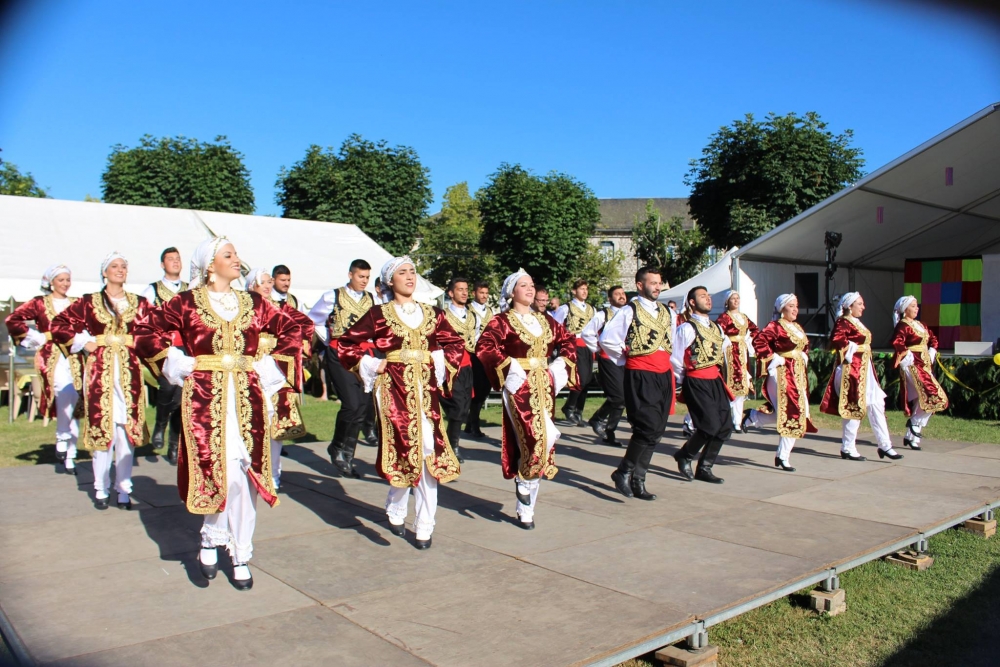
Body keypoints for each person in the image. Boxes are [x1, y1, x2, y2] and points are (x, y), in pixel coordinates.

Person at [136, 237, 297, 590]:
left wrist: (268, 364)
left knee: (246, 474)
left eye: (237, 254)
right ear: (210, 265)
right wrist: (176, 362)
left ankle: (241, 553)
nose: (237, 259)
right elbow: (145, 332)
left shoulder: (254, 302)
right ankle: (211, 535)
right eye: (229, 255)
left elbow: (294, 328)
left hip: (248, 394)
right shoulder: (186, 303)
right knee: (216, 468)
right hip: (204, 396)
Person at [338, 257, 465, 549]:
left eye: (412, 272)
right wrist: (371, 363)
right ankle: (396, 503)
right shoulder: (379, 314)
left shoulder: (433, 314)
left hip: (426, 392)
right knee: (405, 449)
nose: (409, 276)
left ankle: (424, 524)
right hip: (393, 391)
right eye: (402, 273)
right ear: (389, 281)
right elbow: (346, 344)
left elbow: (455, 344)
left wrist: (440, 360)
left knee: (428, 451)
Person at [475, 269, 577, 528]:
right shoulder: (502, 321)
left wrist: (560, 365)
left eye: (532, 285)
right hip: (519, 384)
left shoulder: (546, 321)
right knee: (533, 436)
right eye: (524, 285)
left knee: (547, 438)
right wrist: (509, 369)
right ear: (512, 292)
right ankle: (525, 487)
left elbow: (568, 342)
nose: (530, 290)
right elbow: (485, 347)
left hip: (544, 383)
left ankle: (526, 501)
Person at [51, 253, 151, 509]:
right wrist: (85, 342)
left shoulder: (139, 303)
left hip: (129, 374)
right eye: (115, 266)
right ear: (104, 273)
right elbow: (59, 325)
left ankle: (124, 489)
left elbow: (156, 330)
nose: (120, 270)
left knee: (125, 432)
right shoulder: (89, 302)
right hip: (101, 374)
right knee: (103, 431)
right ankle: (100, 487)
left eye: (124, 266)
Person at [601, 267, 675, 500]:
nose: (657, 286)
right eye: (652, 282)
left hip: (663, 373)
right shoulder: (628, 310)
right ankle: (623, 471)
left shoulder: (667, 312)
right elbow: (608, 339)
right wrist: (625, 357)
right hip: (641, 372)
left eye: (659, 282)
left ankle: (638, 479)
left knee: (657, 430)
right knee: (647, 426)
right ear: (640, 285)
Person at [6, 265, 82, 473]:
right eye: (61, 280)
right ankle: (62, 437)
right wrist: (34, 336)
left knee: (74, 401)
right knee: (65, 393)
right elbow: (12, 319)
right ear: (51, 282)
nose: (65, 283)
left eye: (68, 279)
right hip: (51, 356)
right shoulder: (40, 303)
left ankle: (70, 455)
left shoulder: (76, 303)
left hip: (74, 356)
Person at [308, 259, 377, 477]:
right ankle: (337, 446)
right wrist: (328, 341)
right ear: (350, 275)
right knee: (351, 403)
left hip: (363, 355)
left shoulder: (370, 298)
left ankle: (347, 455)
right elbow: (314, 319)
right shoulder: (333, 296)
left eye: (366, 277)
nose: (364, 281)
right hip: (339, 354)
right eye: (360, 277)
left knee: (362, 406)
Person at [246, 268, 312, 489]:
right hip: (250, 371)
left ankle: (273, 474)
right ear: (251, 286)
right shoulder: (243, 310)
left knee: (276, 425)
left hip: (276, 371)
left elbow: (305, 325)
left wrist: (292, 350)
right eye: (262, 282)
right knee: (252, 422)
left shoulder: (280, 308)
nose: (267, 286)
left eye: (268, 282)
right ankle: (253, 470)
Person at [821, 292, 902, 461]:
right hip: (852, 371)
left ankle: (885, 445)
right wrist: (852, 348)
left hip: (865, 369)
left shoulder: (856, 322)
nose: (863, 307)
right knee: (854, 407)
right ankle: (848, 447)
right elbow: (837, 338)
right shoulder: (843, 321)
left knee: (877, 404)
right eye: (860, 304)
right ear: (850, 307)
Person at [743, 294, 817, 470]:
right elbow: (759, 341)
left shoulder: (797, 327)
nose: (795, 309)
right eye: (791, 306)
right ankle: (782, 456)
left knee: (791, 412)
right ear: (781, 308)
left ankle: (753, 417)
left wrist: (804, 354)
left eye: (796, 306)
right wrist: (774, 357)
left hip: (797, 373)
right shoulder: (775, 326)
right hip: (782, 373)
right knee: (794, 412)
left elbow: (804, 345)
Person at [672, 287, 733, 484]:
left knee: (724, 426)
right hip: (696, 379)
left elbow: (724, 353)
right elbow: (675, 358)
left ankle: (705, 467)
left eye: (708, 296)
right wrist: (682, 381)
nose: (707, 299)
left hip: (715, 380)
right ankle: (685, 454)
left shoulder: (717, 328)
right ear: (691, 302)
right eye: (702, 296)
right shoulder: (687, 328)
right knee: (709, 425)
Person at [140, 247, 189, 464]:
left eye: (178, 259)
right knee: (168, 387)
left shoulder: (191, 289)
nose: (175, 262)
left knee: (182, 396)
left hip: (187, 347)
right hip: (164, 348)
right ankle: (160, 423)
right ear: (162, 264)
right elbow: (143, 318)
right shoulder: (152, 290)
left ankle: (174, 444)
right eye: (171, 259)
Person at [891, 296, 948, 450]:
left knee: (921, 400)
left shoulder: (920, 324)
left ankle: (911, 438)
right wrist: (907, 355)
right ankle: (914, 422)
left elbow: (933, 338)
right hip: (913, 365)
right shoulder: (903, 326)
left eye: (917, 306)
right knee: (935, 396)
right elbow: (897, 342)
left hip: (925, 364)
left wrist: (932, 350)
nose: (917, 309)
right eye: (913, 306)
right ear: (905, 310)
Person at [580, 285, 627, 446]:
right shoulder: (603, 315)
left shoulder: (629, 313)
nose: (621, 296)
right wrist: (598, 349)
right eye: (617, 294)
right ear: (610, 299)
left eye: (622, 293)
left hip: (626, 359)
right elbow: (587, 333)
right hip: (608, 359)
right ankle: (600, 421)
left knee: (624, 397)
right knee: (619, 397)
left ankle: (608, 430)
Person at [441, 277, 478, 463]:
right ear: (451, 293)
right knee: (456, 406)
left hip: (467, 365)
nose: (464, 292)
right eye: (460, 289)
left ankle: (451, 441)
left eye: (466, 289)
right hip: (449, 366)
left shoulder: (472, 315)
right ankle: (452, 447)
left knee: (464, 407)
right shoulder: (443, 315)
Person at [552, 279, 596, 427]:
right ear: (574, 291)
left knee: (588, 379)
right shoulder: (566, 308)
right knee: (581, 378)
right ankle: (569, 406)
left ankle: (578, 411)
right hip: (574, 344)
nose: (584, 291)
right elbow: (555, 326)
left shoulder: (591, 309)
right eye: (581, 289)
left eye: (586, 289)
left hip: (588, 345)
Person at [716, 290, 759, 431]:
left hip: (742, 352)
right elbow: (718, 332)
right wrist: (726, 340)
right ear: (727, 302)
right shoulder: (724, 317)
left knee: (742, 387)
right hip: (730, 353)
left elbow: (755, 330)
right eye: (733, 299)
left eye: (737, 298)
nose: (736, 301)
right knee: (731, 386)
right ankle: (727, 419)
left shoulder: (744, 317)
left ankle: (737, 421)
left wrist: (749, 340)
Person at [466, 281, 495, 439]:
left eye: (486, 293)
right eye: (481, 293)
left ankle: (471, 422)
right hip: (473, 353)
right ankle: (474, 423)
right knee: (476, 390)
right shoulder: (468, 310)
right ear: (474, 294)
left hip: (487, 354)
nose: (484, 296)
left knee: (485, 389)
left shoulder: (490, 311)